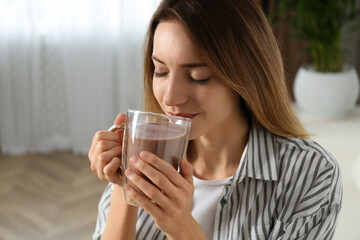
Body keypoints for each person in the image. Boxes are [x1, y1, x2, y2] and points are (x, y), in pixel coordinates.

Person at [88, 0, 342, 239]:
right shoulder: (145, 154)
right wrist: (124, 184)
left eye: (198, 76)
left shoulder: (310, 173)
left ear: (246, 76)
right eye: (161, 71)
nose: (171, 98)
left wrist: (182, 229)